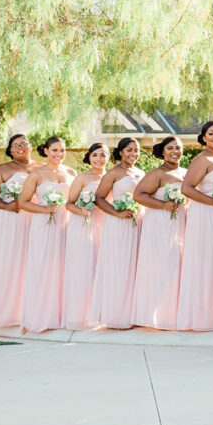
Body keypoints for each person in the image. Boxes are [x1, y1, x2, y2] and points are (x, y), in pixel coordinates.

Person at [0, 134, 40, 328]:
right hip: (11, 220)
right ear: (10, 150)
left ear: (31, 146)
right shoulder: (2, 170)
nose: (20, 147)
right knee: (11, 262)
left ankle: (34, 308)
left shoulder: (42, 167)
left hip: (36, 219)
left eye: (24, 143)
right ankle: (8, 311)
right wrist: (7, 206)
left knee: (36, 262)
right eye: (15, 145)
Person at [177, 121, 213, 331]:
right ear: (204, 138)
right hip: (206, 215)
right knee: (205, 262)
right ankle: (201, 317)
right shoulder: (202, 159)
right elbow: (186, 188)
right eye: (212, 133)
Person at [18, 137, 75, 333]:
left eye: (62, 150)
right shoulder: (36, 174)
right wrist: (44, 210)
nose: (59, 154)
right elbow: (22, 202)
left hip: (66, 225)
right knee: (41, 268)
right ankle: (37, 316)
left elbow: (73, 200)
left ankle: (61, 316)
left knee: (63, 269)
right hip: (43, 225)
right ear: (46, 151)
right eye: (55, 150)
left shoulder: (70, 173)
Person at [130, 136, 187, 330]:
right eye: (170, 148)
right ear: (162, 151)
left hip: (180, 222)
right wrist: (163, 204)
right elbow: (138, 195)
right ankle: (153, 316)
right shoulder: (157, 173)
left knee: (176, 268)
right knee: (160, 266)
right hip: (160, 223)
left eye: (178, 148)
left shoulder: (186, 173)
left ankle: (171, 314)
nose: (175, 151)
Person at [90, 138, 144, 329]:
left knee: (135, 268)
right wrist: (117, 213)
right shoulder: (113, 173)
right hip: (118, 225)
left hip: (138, 223)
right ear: (121, 152)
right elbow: (99, 198)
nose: (133, 154)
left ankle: (133, 314)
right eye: (129, 150)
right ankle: (115, 316)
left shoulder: (140, 173)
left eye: (136, 150)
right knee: (119, 267)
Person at [63, 143, 107, 330]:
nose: (99, 159)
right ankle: (79, 316)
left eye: (103, 155)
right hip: (84, 225)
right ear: (89, 157)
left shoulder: (111, 177)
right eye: (95, 155)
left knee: (101, 269)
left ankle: (100, 314)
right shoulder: (82, 178)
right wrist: (83, 212)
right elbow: (69, 204)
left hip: (105, 226)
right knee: (84, 268)